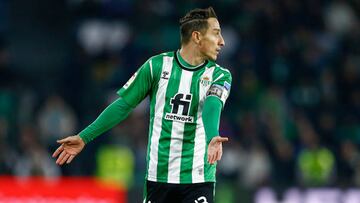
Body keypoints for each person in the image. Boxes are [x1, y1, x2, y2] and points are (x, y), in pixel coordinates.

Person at [53, 7, 232, 203]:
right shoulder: (156, 66)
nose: (222, 41)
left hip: (198, 179)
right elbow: (123, 106)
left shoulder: (220, 75)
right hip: (158, 179)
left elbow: (212, 106)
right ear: (197, 37)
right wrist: (84, 137)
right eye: (216, 34)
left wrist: (213, 135)